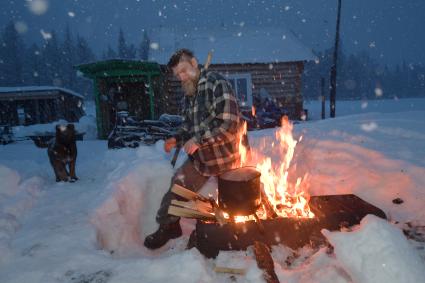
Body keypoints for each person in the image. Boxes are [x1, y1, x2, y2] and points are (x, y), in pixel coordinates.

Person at [144, 49, 249, 249]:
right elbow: (188, 126)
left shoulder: (217, 83)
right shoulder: (190, 93)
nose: (181, 77)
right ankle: (169, 227)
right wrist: (176, 138)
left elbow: (230, 125)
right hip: (202, 159)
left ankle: (238, 235)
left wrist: (199, 140)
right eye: (177, 75)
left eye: (184, 71)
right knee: (177, 186)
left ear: (193, 62)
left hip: (228, 158)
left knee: (235, 203)